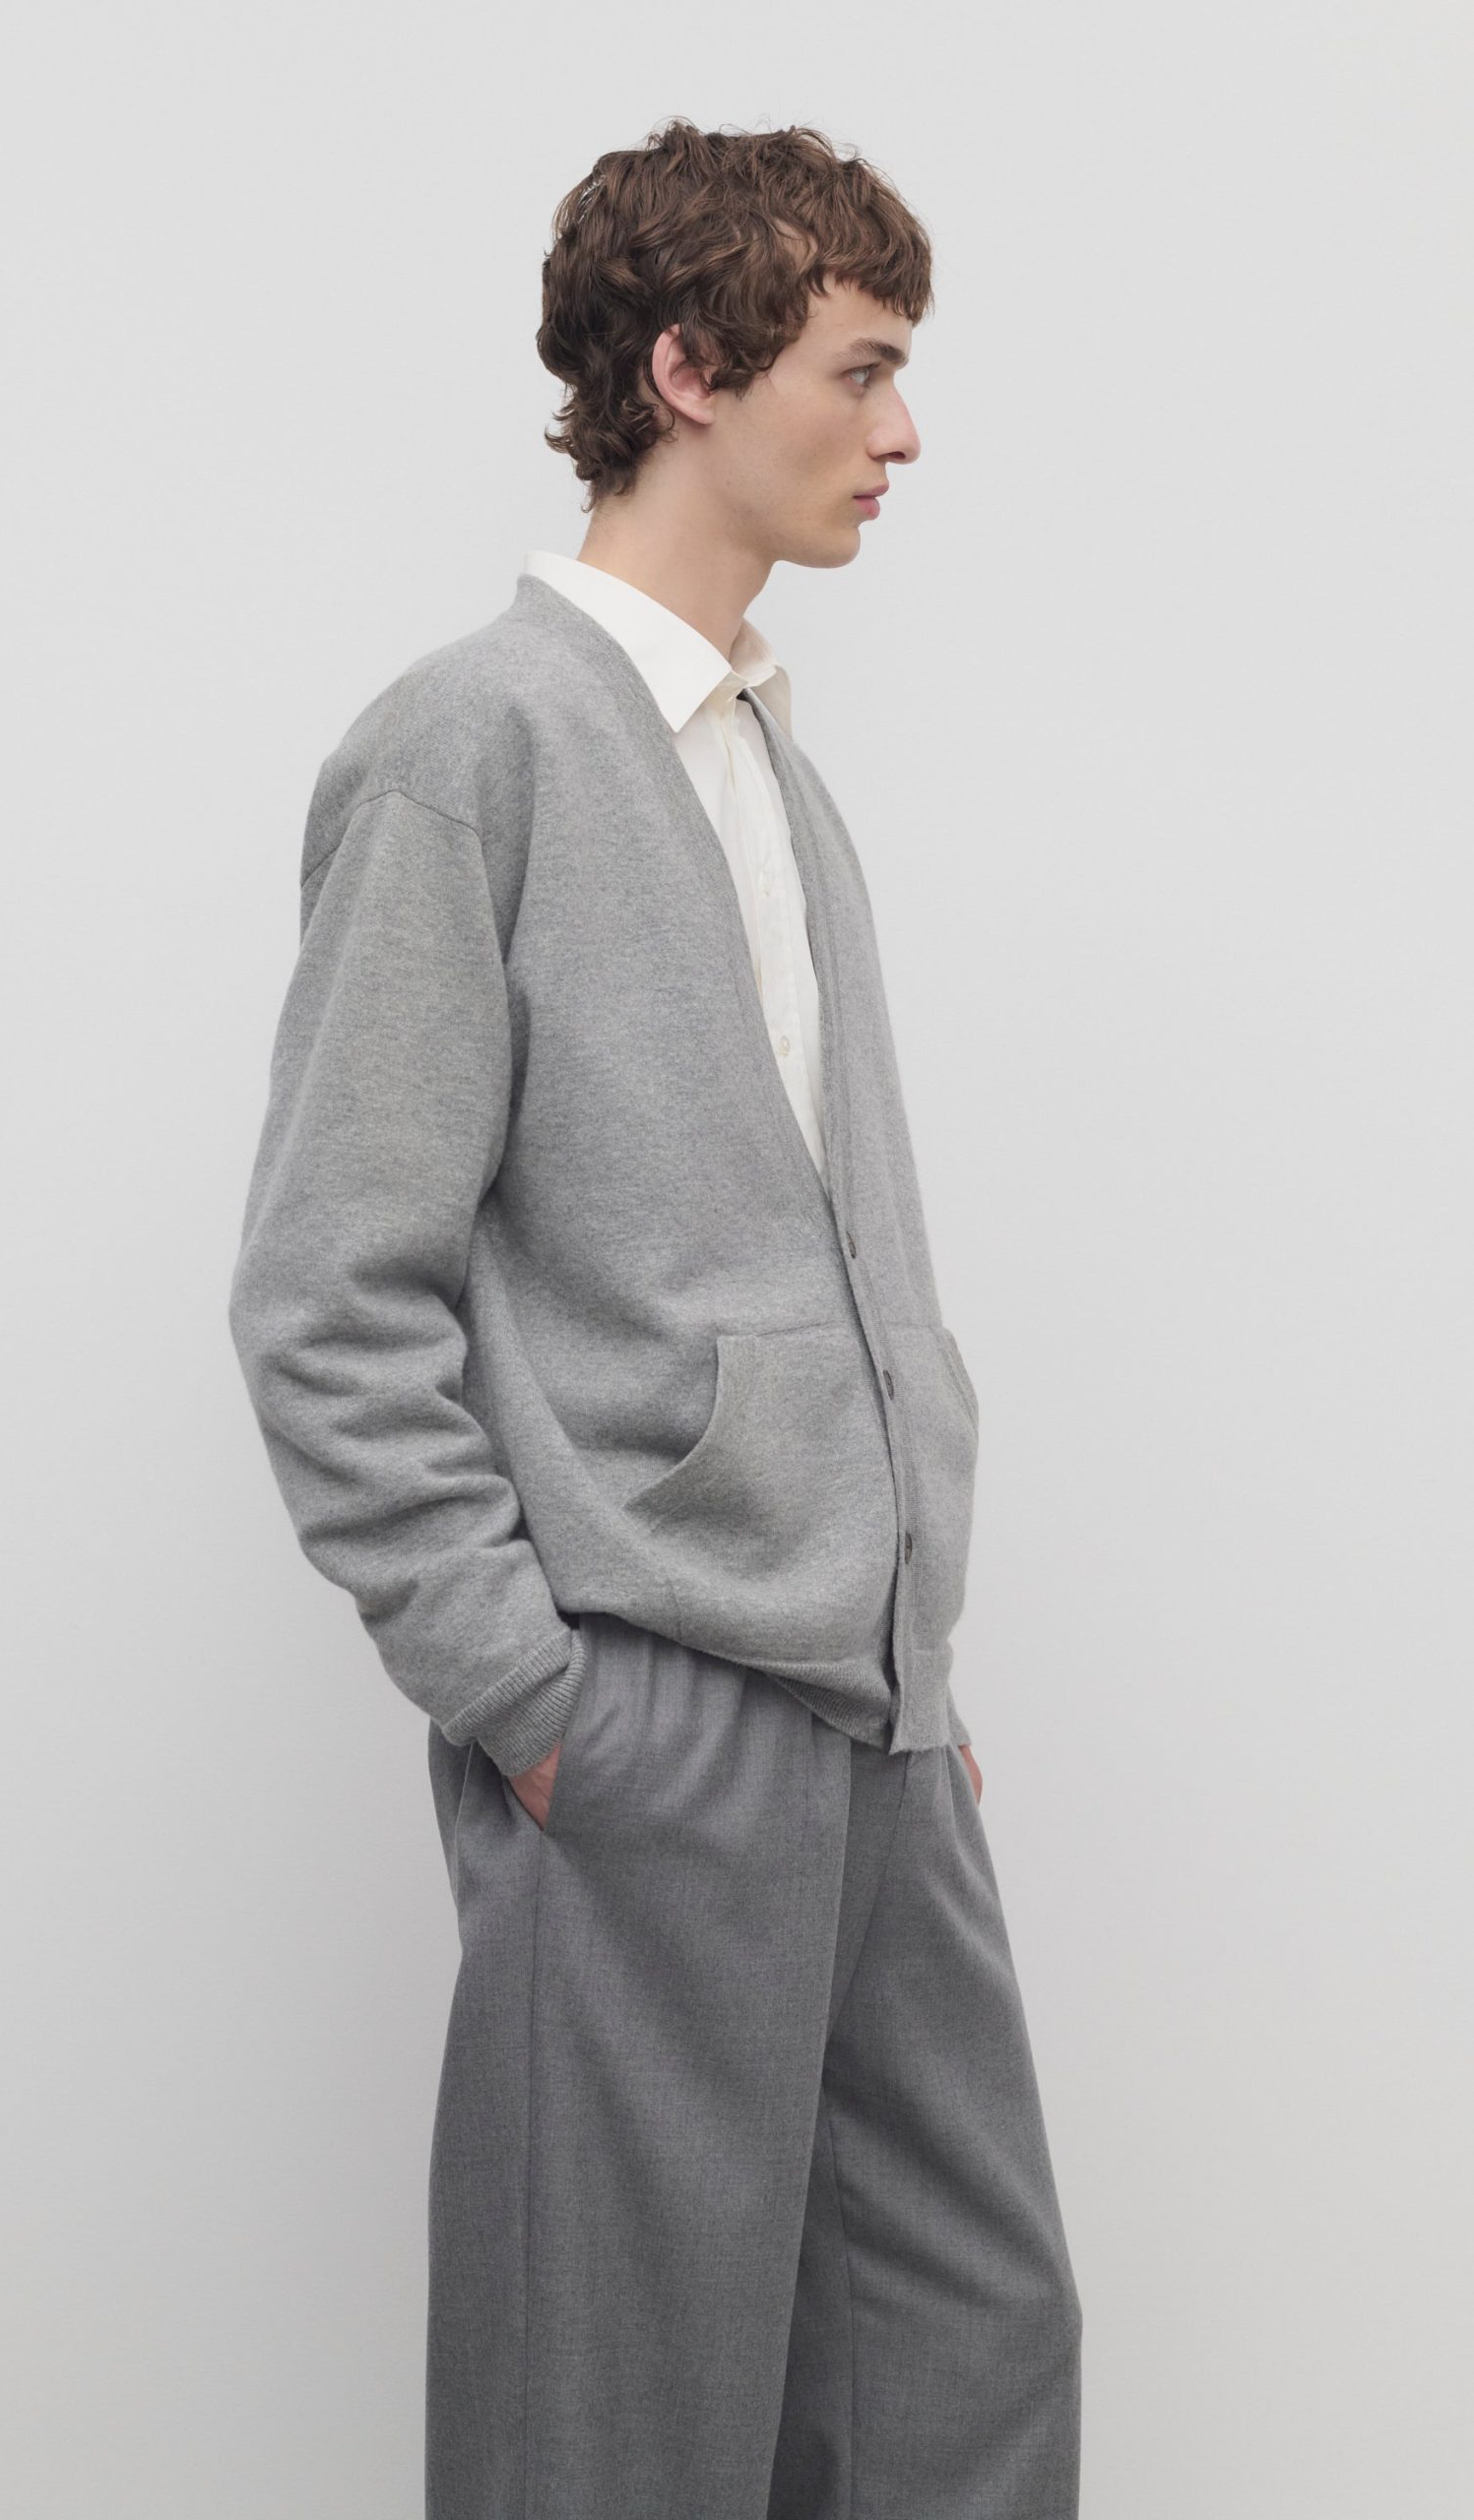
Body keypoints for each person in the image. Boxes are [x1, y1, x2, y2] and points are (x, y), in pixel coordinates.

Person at [227, 114, 1082, 2520]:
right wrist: (532, 1693)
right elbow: (327, 1285)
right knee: (612, 2418)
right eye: (859, 368)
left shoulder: (769, 768)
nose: (901, 432)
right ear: (691, 370)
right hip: (649, 1710)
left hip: (875, 1720)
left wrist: (907, 1648)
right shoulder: (472, 745)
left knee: (961, 2352)